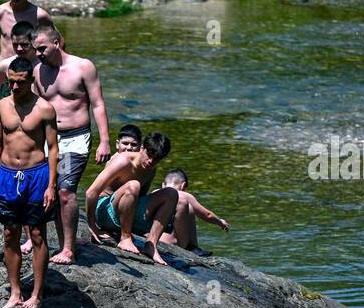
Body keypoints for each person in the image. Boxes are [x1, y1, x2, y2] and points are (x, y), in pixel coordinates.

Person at [27, 21, 110, 264]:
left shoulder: (83, 67)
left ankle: (69, 250)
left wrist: (104, 140)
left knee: (65, 191)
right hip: (48, 138)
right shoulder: (37, 71)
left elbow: (98, 104)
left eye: (42, 48)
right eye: (35, 49)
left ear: (56, 43)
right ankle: (61, 244)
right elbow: (32, 106)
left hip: (76, 138)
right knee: (47, 192)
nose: (38, 53)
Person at [0, 58, 59, 308]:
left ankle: (36, 295)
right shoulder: (2, 106)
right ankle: (15, 291)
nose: (15, 88)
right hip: (7, 175)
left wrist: (51, 185)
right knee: (9, 234)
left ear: (31, 81)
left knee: (37, 234)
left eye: (20, 83)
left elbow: (53, 149)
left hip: (36, 175)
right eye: (11, 82)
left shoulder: (45, 109)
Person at [84, 126, 177, 265]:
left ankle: (151, 245)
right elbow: (91, 192)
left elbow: (140, 198)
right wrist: (92, 225)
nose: (151, 161)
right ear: (142, 148)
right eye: (149, 155)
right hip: (104, 210)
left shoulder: (150, 169)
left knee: (172, 193)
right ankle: (125, 237)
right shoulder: (123, 161)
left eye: (156, 159)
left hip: (125, 212)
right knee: (134, 185)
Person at [158, 168, 229, 255]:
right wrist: (220, 222)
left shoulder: (156, 193)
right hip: (173, 245)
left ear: (163, 185)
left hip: (156, 241)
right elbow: (207, 215)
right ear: (183, 186)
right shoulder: (183, 195)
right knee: (189, 208)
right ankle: (192, 248)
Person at [0, 21, 37, 125]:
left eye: (24, 44)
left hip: (38, 118)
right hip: (14, 119)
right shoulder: (6, 65)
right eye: (15, 44)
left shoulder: (43, 64)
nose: (19, 49)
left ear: (34, 42)